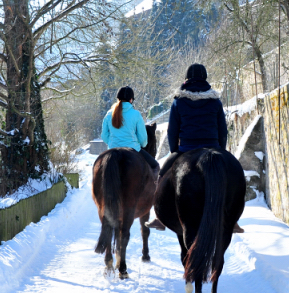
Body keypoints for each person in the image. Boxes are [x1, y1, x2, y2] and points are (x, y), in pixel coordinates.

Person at [145, 64, 244, 233]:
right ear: (205, 78)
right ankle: (232, 219)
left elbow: (172, 130)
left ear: (186, 79)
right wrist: (221, 149)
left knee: (162, 176)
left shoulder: (179, 101)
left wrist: (174, 150)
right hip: (213, 146)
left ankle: (160, 218)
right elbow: (222, 129)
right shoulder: (215, 101)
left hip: (186, 148)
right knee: (236, 176)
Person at [101, 86, 159, 175]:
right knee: (156, 166)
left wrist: (113, 142)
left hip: (113, 149)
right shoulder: (136, 114)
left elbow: (104, 136)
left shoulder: (109, 114)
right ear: (131, 100)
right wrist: (140, 145)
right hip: (133, 149)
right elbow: (143, 140)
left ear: (118, 99)